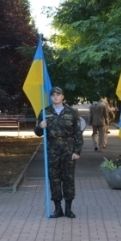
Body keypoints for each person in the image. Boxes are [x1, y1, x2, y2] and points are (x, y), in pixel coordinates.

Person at [33, 87, 83, 218]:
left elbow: (78, 133)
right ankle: (57, 208)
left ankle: (68, 208)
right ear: (50, 97)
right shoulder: (44, 112)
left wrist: (77, 151)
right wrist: (40, 126)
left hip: (68, 149)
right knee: (54, 178)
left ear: (63, 97)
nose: (55, 97)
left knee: (68, 178)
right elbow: (37, 132)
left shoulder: (71, 112)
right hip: (52, 149)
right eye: (53, 95)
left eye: (58, 95)